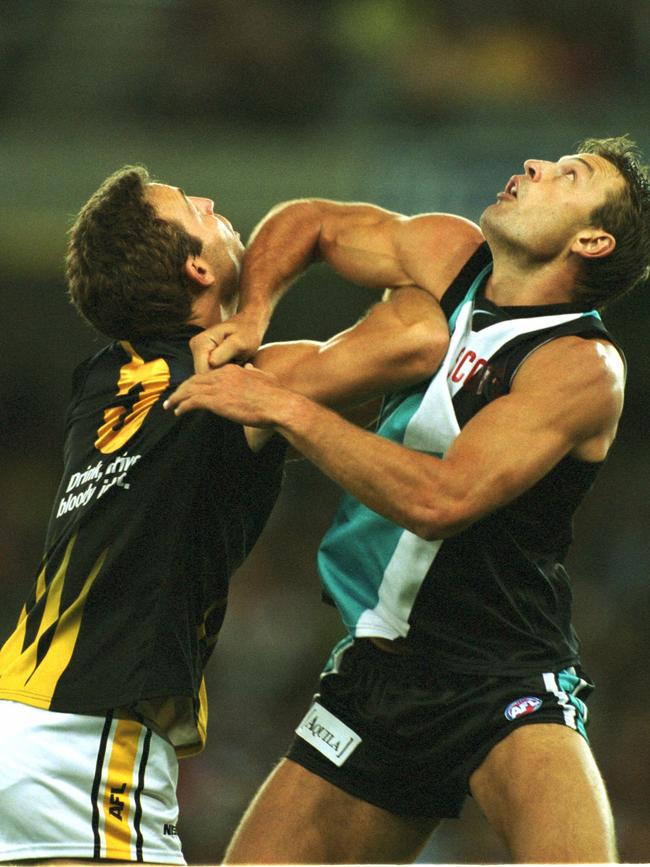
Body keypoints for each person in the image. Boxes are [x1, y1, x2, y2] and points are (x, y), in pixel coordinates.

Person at [166, 135, 650, 864]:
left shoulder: (580, 365)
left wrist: (284, 407)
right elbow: (314, 224)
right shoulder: (453, 256)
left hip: (504, 675)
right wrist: (255, 310)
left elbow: (440, 498)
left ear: (591, 239)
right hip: (380, 670)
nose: (535, 166)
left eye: (568, 175)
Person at [0, 166, 448, 864]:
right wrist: (265, 310)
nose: (210, 200)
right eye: (192, 207)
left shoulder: (103, 380)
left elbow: (345, 409)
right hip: (90, 739)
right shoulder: (235, 388)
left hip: (24, 713)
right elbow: (423, 334)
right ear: (197, 266)